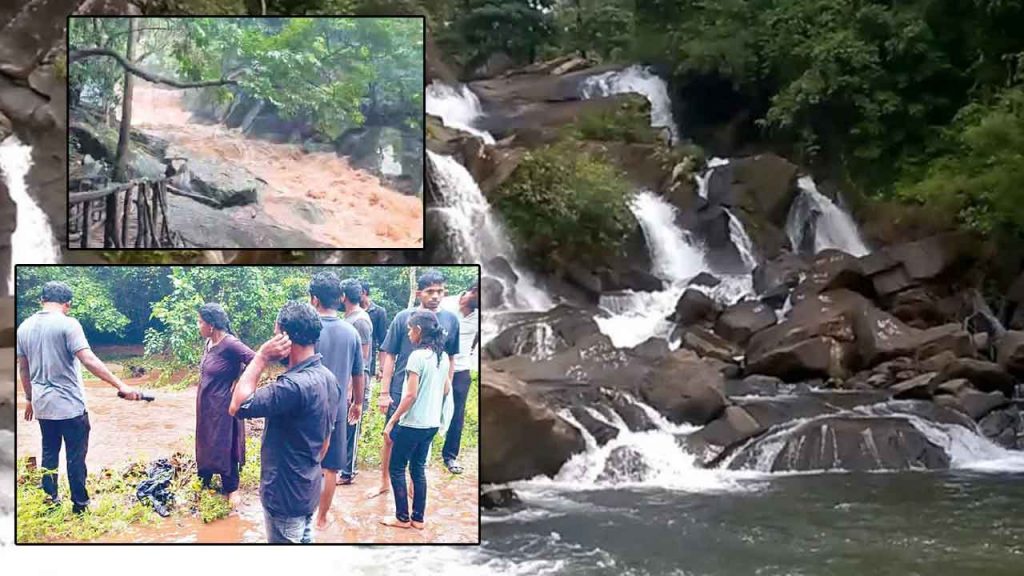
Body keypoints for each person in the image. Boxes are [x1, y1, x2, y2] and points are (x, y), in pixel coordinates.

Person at [16, 281, 141, 513]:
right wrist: (121, 384)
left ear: (41, 300)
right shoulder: (68, 324)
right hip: (70, 406)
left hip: (43, 405)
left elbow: (23, 369)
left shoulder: (23, 327)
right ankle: (80, 506)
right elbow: (88, 360)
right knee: (75, 456)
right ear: (68, 304)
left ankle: (50, 502)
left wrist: (29, 399)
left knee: (49, 452)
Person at [229, 301, 340, 544]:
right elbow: (325, 444)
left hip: (285, 499)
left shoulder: (292, 386)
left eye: (275, 333)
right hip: (308, 491)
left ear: (284, 338)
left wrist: (260, 357)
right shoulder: (329, 378)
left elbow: (237, 405)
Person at [368, 269, 459, 499]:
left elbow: (450, 358)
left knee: (422, 442)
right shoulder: (403, 318)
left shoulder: (450, 320)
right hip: (401, 389)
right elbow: (389, 354)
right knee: (389, 436)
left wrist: (445, 393)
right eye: (430, 291)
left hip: (429, 394)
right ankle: (384, 481)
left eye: (440, 291)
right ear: (419, 293)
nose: (436, 296)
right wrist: (384, 392)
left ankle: (413, 485)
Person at [381, 310, 451, 529]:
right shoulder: (442, 357)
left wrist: (392, 420)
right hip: (431, 424)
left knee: (397, 468)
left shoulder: (417, 356)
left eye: (411, 329)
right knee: (418, 469)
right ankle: (418, 519)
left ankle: (402, 517)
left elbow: (410, 395)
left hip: (412, 424)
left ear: (419, 331)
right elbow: (446, 389)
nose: (409, 333)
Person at [306, 272, 364, 531]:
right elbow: (358, 373)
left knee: (306, 461)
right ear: (340, 298)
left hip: (306, 405)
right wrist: (358, 403)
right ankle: (322, 518)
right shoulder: (351, 332)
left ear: (314, 299)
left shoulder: (307, 329)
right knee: (331, 468)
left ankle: (304, 515)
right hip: (337, 407)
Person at [195, 303, 255, 509]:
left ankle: (232, 488)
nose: (198, 325)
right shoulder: (210, 343)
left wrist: (240, 385)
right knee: (205, 440)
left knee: (223, 443)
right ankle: (204, 479)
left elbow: (255, 360)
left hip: (223, 405)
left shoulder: (230, 344)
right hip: (206, 403)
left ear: (211, 325)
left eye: (200, 322)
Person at [441, 285, 479, 475]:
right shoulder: (445, 304)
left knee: (457, 413)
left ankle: (450, 456)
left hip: (462, 369)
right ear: (474, 290)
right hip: (438, 367)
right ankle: (417, 451)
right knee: (426, 406)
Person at [339, 278, 372, 486]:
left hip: (356, 384)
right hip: (347, 383)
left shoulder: (360, 320)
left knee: (351, 428)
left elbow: (362, 358)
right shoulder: (349, 318)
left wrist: (353, 392)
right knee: (343, 428)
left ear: (343, 296)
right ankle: (340, 467)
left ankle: (348, 472)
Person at [360, 280, 388, 380]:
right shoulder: (351, 309)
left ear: (363, 292)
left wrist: (381, 368)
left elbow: (383, 341)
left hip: (369, 360)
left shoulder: (379, 312)